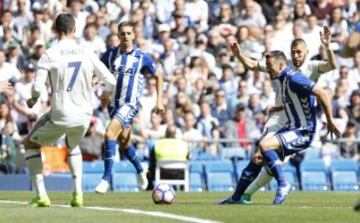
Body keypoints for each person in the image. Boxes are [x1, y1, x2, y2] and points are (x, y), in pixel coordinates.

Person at [218, 26, 337, 205]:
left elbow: (330, 69)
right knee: (260, 155)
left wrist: (328, 46)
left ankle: (277, 186)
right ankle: (239, 197)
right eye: (293, 52)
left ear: (307, 52)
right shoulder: (281, 66)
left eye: (299, 52)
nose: (296, 56)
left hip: (301, 123)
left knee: (267, 153)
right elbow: (252, 65)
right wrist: (238, 55)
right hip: (284, 116)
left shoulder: (309, 68)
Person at [22, 14, 116, 208]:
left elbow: (37, 88)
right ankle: (78, 194)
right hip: (84, 115)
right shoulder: (87, 52)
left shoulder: (50, 53)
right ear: (74, 29)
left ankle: (41, 195)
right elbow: (111, 81)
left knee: (29, 144)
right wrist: (106, 95)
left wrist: (32, 99)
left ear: (55, 31)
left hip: (61, 113)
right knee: (72, 145)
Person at [95, 21, 165, 194]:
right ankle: (142, 171)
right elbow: (98, 71)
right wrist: (96, 81)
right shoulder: (110, 55)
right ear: (118, 36)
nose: (125, 36)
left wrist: (159, 101)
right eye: (122, 33)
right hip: (113, 105)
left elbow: (159, 76)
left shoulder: (142, 57)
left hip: (130, 104)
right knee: (125, 143)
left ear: (134, 36)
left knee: (109, 133)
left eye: (128, 33)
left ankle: (105, 179)